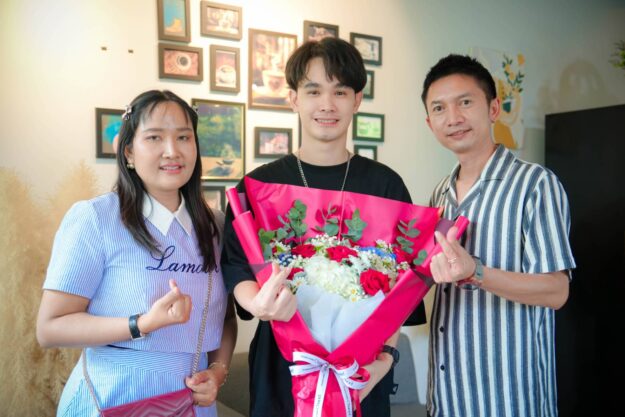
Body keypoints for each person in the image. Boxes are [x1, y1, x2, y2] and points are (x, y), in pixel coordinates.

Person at [221, 37, 426, 417]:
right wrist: (259, 304)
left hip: (362, 372)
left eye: (340, 91)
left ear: (357, 100)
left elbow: (400, 286)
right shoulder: (259, 186)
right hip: (280, 369)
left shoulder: (385, 185)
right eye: (314, 91)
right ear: (294, 98)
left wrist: (384, 362)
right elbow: (235, 266)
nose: (327, 104)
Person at [36, 90, 237, 417]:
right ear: (128, 151)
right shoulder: (95, 218)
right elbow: (50, 328)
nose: (172, 151)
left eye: (183, 137)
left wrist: (217, 372)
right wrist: (141, 323)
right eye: (154, 137)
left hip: (193, 402)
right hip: (114, 397)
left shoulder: (216, 226)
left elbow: (225, 319)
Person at [421, 54, 576, 417]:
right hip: (446, 396)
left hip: (509, 398)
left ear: (493, 109)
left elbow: (557, 291)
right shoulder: (439, 195)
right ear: (429, 123)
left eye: (465, 102)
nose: (453, 118)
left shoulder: (536, 184)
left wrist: (475, 271)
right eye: (439, 108)